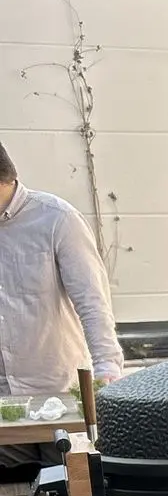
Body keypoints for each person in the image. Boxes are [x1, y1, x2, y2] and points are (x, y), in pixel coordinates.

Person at [0, 138, 123, 471]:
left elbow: (92, 301)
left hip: (60, 398)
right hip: (4, 406)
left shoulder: (57, 219)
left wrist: (107, 369)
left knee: (75, 485)